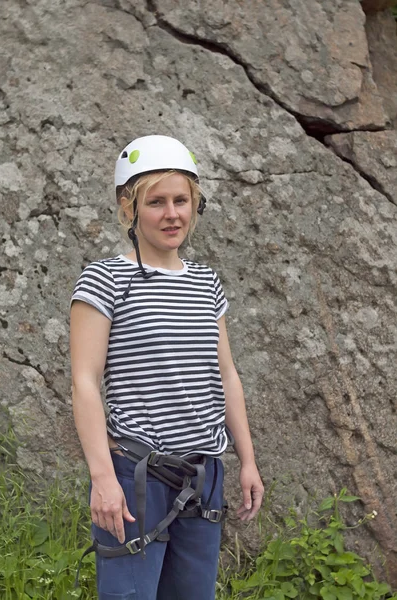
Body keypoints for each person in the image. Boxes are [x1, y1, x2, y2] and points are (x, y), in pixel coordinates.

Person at [69, 135, 264, 600]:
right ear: (129, 207)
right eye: (156, 202)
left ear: (196, 205)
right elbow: (84, 381)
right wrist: (102, 478)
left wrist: (248, 461)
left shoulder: (206, 283)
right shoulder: (106, 279)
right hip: (138, 478)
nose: (171, 213)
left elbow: (227, 375)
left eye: (182, 200)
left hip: (204, 476)